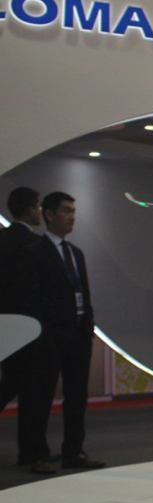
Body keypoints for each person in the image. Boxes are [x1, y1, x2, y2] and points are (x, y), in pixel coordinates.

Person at [15, 192, 105, 473]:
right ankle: (36, 455)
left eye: (73, 211)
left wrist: (87, 326)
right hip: (51, 336)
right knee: (40, 397)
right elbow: (30, 299)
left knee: (77, 396)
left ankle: (74, 451)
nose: (72, 216)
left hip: (78, 335)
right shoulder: (33, 252)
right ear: (49, 214)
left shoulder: (76, 253)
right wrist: (45, 332)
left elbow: (84, 294)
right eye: (66, 210)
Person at [0, 187, 43, 468]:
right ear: (30, 209)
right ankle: (30, 452)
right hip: (30, 328)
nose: (39, 212)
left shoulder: (2, 240)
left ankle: (32, 452)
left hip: (6, 325)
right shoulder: (34, 244)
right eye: (38, 206)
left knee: (11, 382)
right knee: (30, 391)